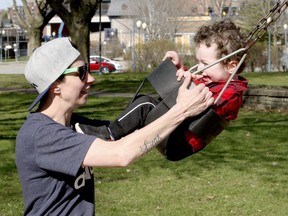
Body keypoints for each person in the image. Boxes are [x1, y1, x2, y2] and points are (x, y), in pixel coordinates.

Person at [15, 37, 213, 215]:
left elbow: (135, 130)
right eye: (82, 73)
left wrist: (180, 78)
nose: (91, 79)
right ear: (55, 86)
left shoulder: (75, 124)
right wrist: (182, 110)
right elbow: (121, 154)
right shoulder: (41, 135)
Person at [77, 19, 248, 161]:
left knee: (146, 105)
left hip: (179, 143)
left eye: (205, 63)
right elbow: (189, 89)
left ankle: (108, 135)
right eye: (199, 62)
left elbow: (203, 102)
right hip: (176, 131)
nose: (201, 68)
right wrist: (180, 68)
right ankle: (109, 129)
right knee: (145, 101)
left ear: (231, 66)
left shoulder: (231, 94)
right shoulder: (213, 79)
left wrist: (188, 80)